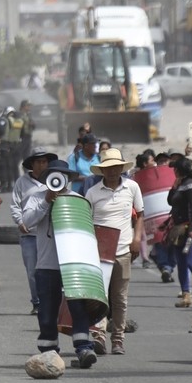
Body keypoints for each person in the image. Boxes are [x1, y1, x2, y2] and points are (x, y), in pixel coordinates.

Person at [21, 160, 99, 370]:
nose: (57, 179)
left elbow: (87, 232)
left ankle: (84, 348)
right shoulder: (36, 197)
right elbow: (26, 222)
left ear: (69, 179)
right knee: (47, 310)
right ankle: (49, 351)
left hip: (74, 265)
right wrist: (46, 201)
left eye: (61, 175)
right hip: (47, 264)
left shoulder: (78, 200)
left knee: (78, 308)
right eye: (53, 175)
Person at [84, 149, 144, 356]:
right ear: (102, 170)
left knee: (120, 298)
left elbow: (140, 216)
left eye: (115, 167)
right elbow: (86, 222)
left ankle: (118, 339)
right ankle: (98, 335)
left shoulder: (132, 187)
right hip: (99, 253)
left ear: (121, 168)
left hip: (123, 251)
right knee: (99, 297)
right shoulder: (92, 193)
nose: (111, 171)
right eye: (107, 168)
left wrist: (137, 240)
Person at [11, 149, 56, 315]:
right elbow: (15, 205)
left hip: (49, 234)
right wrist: (20, 221)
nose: (42, 165)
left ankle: (51, 302)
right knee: (32, 271)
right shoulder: (21, 182)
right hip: (29, 234)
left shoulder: (54, 181)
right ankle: (37, 302)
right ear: (32, 164)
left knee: (51, 270)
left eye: (45, 161)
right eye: (38, 162)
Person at [167, 157, 192, 309]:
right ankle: (186, 295)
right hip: (179, 228)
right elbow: (170, 201)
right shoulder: (181, 184)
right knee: (181, 262)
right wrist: (173, 187)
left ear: (178, 169)